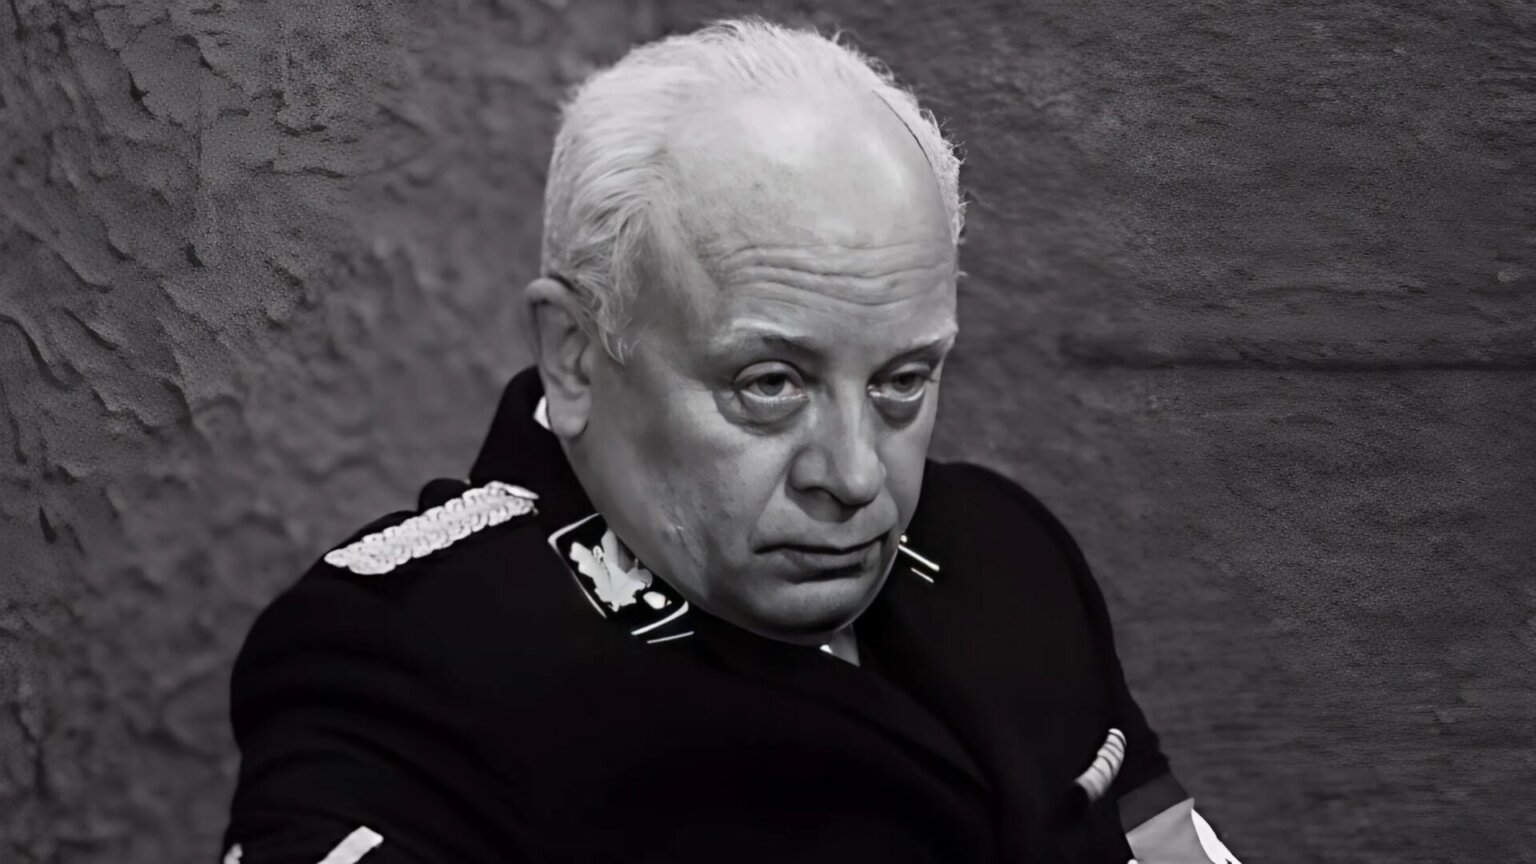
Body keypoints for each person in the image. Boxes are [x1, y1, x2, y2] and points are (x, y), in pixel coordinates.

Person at [220, 17, 1243, 864]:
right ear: (575, 356)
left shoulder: (1006, 557)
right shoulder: (410, 661)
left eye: (902, 381)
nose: (854, 475)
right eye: (769, 387)